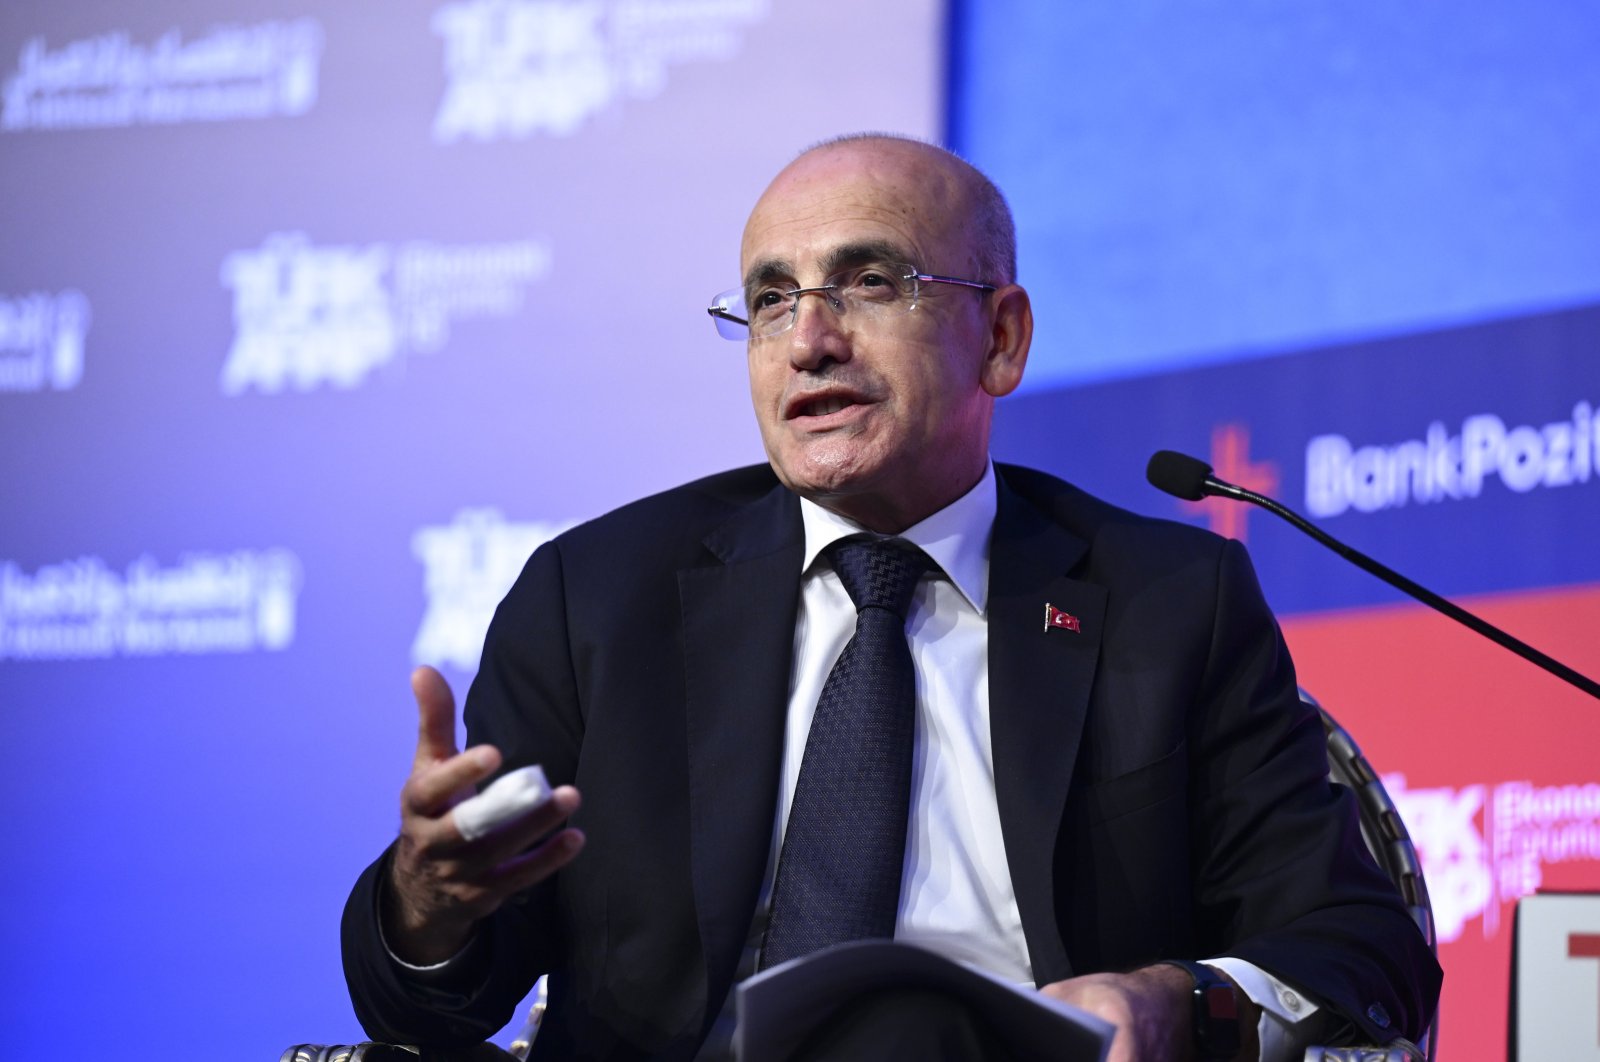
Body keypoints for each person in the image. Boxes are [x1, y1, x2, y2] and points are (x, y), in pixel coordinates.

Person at [343, 134, 1441, 1061]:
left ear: (1000, 338)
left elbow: (1359, 946)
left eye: (869, 283)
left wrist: (1175, 999)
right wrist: (429, 907)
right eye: (771, 300)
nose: (809, 339)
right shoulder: (598, 598)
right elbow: (434, 1004)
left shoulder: (1166, 602)